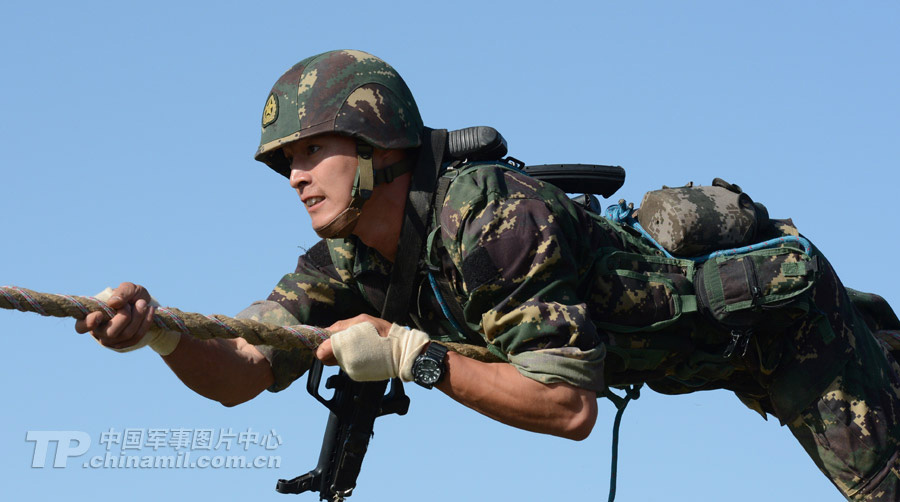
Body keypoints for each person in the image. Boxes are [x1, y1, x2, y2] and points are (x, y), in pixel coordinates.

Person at [75, 50, 900, 501]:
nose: (294, 175)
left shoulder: (494, 220)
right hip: (704, 363)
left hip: (789, 335)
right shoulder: (351, 259)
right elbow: (245, 369)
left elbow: (569, 407)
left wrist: (412, 357)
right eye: (285, 161)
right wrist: (161, 336)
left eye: (311, 150)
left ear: (379, 147)